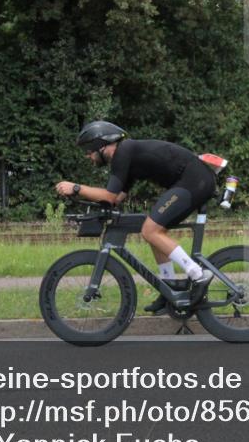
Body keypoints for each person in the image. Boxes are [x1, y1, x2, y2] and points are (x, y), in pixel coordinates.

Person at [54, 121, 216, 314]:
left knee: (150, 229)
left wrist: (77, 188)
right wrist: (85, 198)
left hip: (194, 180)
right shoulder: (127, 157)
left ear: (101, 145)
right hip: (192, 181)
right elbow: (116, 198)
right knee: (156, 230)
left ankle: (197, 275)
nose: (88, 156)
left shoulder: (124, 152)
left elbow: (109, 195)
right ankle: (170, 286)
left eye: (89, 151)